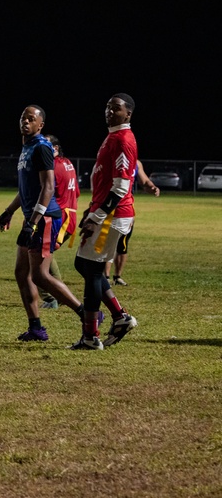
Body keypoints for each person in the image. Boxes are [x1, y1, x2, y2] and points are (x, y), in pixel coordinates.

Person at [0, 106, 87, 342]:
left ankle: (87, 315)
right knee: (21, 272)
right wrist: (9, 211)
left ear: (40, 125)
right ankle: (36, 328)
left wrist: (33, 222)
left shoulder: (42, 147)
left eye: (31, 119)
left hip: (44, 219)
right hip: (33, 219)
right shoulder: (26, 148)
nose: (26, 122)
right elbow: (26, 189)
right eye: (23, 118)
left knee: (39, 275)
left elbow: (48, 188)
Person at [72, 94, 142, 350]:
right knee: (83, 265)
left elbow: (121, 187)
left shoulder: (123, 139)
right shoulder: (114, 136)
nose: (109, 111)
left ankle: (91, 336)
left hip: (113, 216)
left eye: (116, 108)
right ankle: (120, 317)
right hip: (105, 213)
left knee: (92, 270)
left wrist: (97, 216)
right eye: (108, 107)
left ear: (128, 114)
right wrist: (91, 210)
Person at [103, 158, 159, 286]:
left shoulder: (136, 163)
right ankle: (105, 277)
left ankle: (117, 277)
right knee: (108, 244)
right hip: (110, 207)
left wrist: (152, 187)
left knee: (123, 244)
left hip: (127, 209)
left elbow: (144, 181)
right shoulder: (111, 159)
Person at [39, 134, 79, 309]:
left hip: (59, 218)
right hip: (70, 216)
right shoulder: (67, 163)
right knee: (44, 254)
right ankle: (58, 295)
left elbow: (46, 191)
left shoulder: (52, 166)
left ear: (55, 148)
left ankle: (53, 296)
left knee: (39, 255)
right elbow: (76, 193)